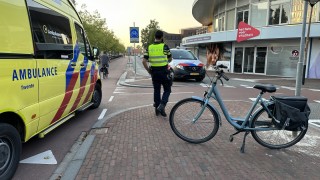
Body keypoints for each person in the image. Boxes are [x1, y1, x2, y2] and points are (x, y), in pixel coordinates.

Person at [142, 30, 172, 117]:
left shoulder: (149, 47)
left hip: (154, 72)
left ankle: (157, 109)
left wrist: (148, 70)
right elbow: (170, 58)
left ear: (155, 37)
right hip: (164, 71)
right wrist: (167, 60)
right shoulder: (165, 46)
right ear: (162, 37)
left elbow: (144, 61)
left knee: (156, 90)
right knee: (167, 89)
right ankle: (162, 105)